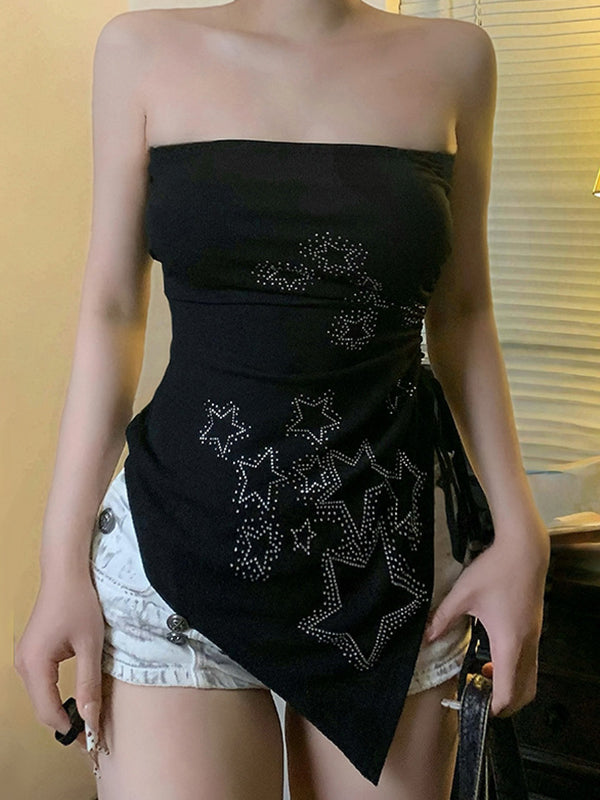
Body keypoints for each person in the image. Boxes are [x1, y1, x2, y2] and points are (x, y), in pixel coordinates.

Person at [14, 1, 551, 798]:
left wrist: (522, 538)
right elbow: (112, 312)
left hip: (387, 565)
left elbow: (463, 315)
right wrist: (60, 565)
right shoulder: (140, 49)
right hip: (176, 549)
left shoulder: (457, 59)